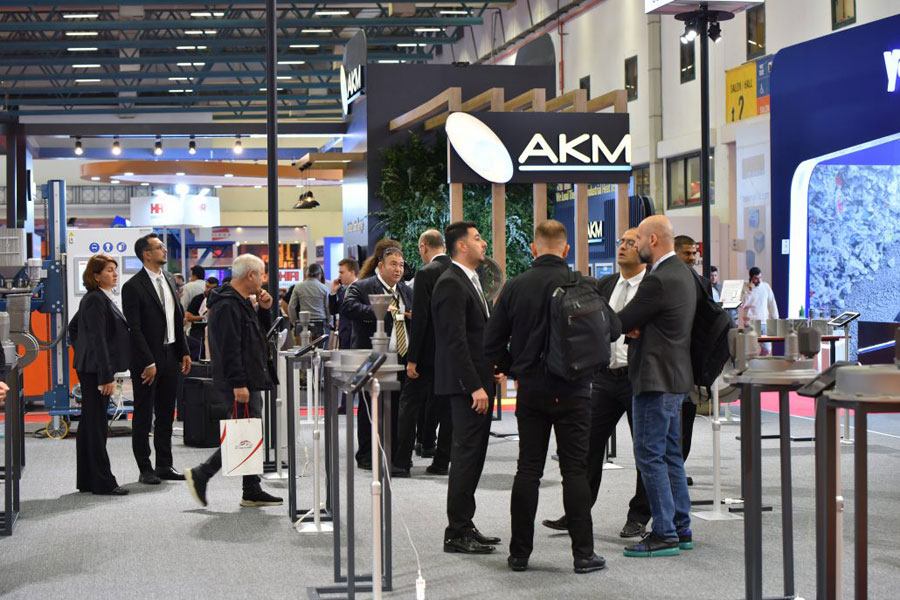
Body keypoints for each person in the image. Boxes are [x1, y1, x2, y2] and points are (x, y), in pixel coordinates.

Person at [485, 220, 617, 573]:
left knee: (528, 469)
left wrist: (516, 368)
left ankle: (519, 554)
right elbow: (614, 329)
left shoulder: (515, 286)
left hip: (532, 390)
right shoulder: (584, 284)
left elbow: (491, 342)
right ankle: (583, 554)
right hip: (576, 389)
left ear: (533, 248)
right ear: (566, 249)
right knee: (575, 470)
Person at [542, 228, 652, 539]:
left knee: (644, 450)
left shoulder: (652, 285)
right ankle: (577, 512)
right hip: (605, 377)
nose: (623, 247)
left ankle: (639, 516)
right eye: (621, 242)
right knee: (586, 447)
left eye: (631, 243)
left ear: (644, 248)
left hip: (638, 377)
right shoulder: (606, 284)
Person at [617, 215, 696, 557]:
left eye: (636, 240)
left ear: (652, 240)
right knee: (670, 456)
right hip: (675, 377)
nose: (633, 246)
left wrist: (633, 326)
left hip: (654, 379)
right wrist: (639, 326)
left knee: (649, 455)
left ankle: (664, 532)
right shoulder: (683, 273)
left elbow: (622, 320)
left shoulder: (658, 279)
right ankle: (680, 526)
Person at [185, 254, 283, 508]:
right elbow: (229, 347)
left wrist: (264, 309)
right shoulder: (227, 304)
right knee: (243, 434)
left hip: (248, 377)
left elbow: (258, 336)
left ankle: (251, 489)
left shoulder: (239, 302)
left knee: (248, 431)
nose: (263, 279)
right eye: (261, 274)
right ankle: (202, 474)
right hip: (239, 381)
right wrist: (239, 383)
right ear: (251, 275)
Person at [432, 221, 501, 555]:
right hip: (466, 389)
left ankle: (465, 523)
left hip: (478, 382)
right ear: (461, 246)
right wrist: (473, 385)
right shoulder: (451, 282)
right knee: (465, 457)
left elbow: (477, 337)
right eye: (477, 238)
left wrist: (491, 369)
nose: (483, 243)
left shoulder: (469, 280)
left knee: (474, 457)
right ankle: (457, 531)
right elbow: (454, 341)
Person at [122, 233, 191, 485]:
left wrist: (184, 351)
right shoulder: (133, 287)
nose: (165, 250)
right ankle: (145, 468)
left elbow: (176, 319)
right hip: (147, 360)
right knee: (143, 415)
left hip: (171, 354)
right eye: (159, 247)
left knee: (166, 413)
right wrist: (148, 361)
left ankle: (164, 464)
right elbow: (134, 329)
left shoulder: (170, 279)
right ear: (146, 254)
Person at [340, 246, 413, 470]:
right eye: (393, 264)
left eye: (401, 265)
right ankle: (366, 454)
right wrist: (379, 310)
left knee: (397, 407)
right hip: (370, 356)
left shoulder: (406, 290)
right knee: (369, 407)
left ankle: (393, 453)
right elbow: (348, 307)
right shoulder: (362, 286)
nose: (398, 269)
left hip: (400, 356)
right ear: (381, 265)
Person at [69, 255, 131, 496]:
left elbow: (75, 328)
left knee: (89, 424)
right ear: (95, 276)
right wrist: (105, 376)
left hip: (92, 367)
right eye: (108, 270)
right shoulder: (95, 299)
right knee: (96, 426)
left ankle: (88, 479)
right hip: (96, 371)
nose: (114, 274)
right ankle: (103, 482)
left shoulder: (99, 298)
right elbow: (98, 339)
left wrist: (82, 350)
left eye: (115, 269)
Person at [393, 229, 452, 477]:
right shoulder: (459, 271)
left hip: (427, 354)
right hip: (452, 353)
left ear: (424, 246)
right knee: (447, 408)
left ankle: (401, 462)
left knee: (409, 404)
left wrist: (412, 358)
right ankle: (441, 462)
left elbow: (421, 319)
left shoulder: (426, 273)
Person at [289, 264, 330, 339]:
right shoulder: (324, 288)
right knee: (321, 345)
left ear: (307, 274)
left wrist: (295, 322)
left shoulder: (298, 287)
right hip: (321, 322)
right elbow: (327, 307)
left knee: (304, 345)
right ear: (320, 275)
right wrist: (329, 321)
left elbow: (291, 306)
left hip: (304, 322)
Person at [328, 258, 359, 350]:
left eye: (342, 272)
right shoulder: (344, 290)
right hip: (344, 336)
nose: (339, 276)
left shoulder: (361, 288)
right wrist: (333, 292)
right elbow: (333, 310)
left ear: (352, 273)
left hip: (355, 337)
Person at [185, 276, 219, 359]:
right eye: (207, 287)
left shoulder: (218, 300)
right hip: (197, 330)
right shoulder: (197, 299)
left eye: (211, 288)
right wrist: (203, 317)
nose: (208, 290)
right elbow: (188, 317)